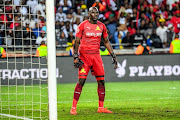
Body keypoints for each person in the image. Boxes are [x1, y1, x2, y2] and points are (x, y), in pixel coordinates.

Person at [70, 7, 117, 115]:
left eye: (97, 12)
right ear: (89, 13)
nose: (95, 14)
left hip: (96, 56)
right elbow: (76, 42)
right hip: (84, 56)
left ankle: (101, 107)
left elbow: (106, 42)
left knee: (101, 81)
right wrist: (76, 56)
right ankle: (73, 108)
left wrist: (113, 55)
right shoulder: (82, 25)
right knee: (81, 81)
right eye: (93, 12)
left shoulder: (102, 26)